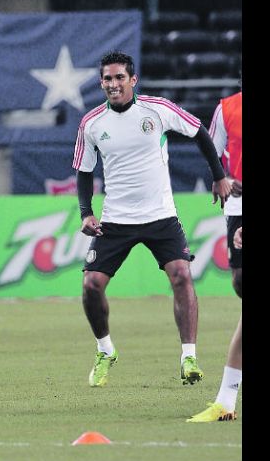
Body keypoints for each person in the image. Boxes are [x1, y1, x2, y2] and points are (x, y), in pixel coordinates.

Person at [72, 51, 232, 388]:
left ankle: (189, 355)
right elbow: (84, 172)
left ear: (133, 80)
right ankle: (105, 350)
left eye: (119, 78)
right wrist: (86, 212)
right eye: (107, 79)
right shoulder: (91, 123)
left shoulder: (157, 110)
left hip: (161, 215)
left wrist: (219, 176)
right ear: (101, 82)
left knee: (181, 276)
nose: (113, 84)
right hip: (116, 219)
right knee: (90, 286)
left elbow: (200, 132)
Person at [187, 89, 242, 422]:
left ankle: (226, 397)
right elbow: (213, 148)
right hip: (238, 202)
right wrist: (222, 178)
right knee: (240, 282)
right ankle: (226, 398)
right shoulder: (227, 109)